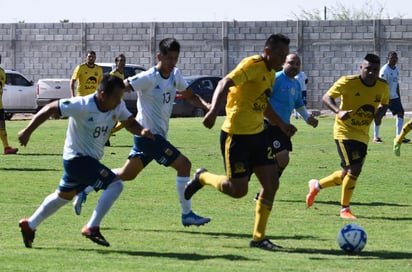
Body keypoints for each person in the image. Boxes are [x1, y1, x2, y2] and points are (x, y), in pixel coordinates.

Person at [73, 38, 212, 227]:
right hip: (148, 136)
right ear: (159, 57)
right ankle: (187, 214)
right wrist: (102, 106)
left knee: (127, 174)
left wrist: (206, 106)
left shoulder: (175, 75)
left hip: (154, 136)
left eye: (175, 58)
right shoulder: (148, 77)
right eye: (169, 58)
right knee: (184, 166)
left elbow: (190, 95)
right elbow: (121, 88)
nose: (172, 62)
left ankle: (85, 187)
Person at [184, 34, 296, 251]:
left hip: (258, 135)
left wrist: (281, 125)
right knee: (238, 190)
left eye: (285, 56)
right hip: (236, 137)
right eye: (280, 55)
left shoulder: (271, 74)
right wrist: (214, 111)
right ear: (267, 52)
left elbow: (262, 104)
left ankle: (259, 238)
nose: (282, 60)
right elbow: (225, 82)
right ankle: (203, 177)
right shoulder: (252, 64)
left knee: (271, 183)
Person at [17, 75, 153, 248]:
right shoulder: (82, 105)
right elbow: (51, 108)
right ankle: (92, 227)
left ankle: (30, 225)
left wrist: (141, 131)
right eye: (116, 97)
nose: (120, 102)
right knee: (115, 185)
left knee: (63, 197)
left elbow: (130, 123)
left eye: (121, 97)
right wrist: (27, 131)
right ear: (102, 95)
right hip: (77, 159)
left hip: (86, 161)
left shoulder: (117, 106)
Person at [306, 53, 389, 219]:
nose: (371, 73)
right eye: (368, 69)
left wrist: (379, 113)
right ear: (361, 68)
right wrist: (338, 111)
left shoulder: (382, 86)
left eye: (374, 69)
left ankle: (316, 186)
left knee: (346, 174)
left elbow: (385, 103)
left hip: (362, 134)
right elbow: (327, 97)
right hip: (344, 131)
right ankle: (345, 209)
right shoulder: (348, 82)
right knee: (355, 169)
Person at [266, 53, 318, 184]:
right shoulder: (276, 79)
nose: (294, 66)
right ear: (283, 63)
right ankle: (266, 187)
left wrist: (308, 118)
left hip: (284, 127)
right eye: (291, 63)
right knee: (282, 158)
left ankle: (266, 187)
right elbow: (263, 99)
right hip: (268, 125)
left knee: (283, 160)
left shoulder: (296, 84)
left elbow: (299, 104)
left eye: (297, 64)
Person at [373, 51, 409, 143]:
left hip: (394, 97)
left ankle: (398, 136)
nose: (394, 59)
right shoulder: (384, 70)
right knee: (379, 115)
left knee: (400, 112)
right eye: (392, 58)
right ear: (388, 59)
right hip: (384, 97)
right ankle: (376, 137)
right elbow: (382, 84)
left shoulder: (396, 69)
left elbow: (396, 84)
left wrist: (398, 96)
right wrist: (385, 98)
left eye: (395, 58)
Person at [0, 54, 18, 154]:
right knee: (1, 126)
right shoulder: (2, 72)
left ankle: (7, 148)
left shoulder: (2, 72)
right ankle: (6, 147)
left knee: (2, 127)